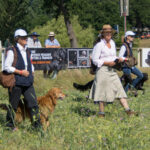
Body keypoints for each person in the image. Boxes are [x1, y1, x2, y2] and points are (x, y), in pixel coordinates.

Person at [89, 25, 137, 117]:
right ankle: (101, 113)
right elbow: (95, 60)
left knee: (119, 89)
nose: (108, 34)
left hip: (112, 70)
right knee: (101, 92)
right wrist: (107, 63)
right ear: (103, 34)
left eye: (110, 33)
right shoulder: (99, 45)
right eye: (106, 33)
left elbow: (113, 56)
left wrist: (122, 59)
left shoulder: (113, 43)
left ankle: (128, 111)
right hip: (102, 70)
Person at [4, 29, 41, 130]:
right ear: (17, 39)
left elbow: (31, 64)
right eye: (23, 37)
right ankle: (9, 125)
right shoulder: (12, 50)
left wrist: (32, 72)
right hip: (16, 82)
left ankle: (37, 126)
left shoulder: (28, 50)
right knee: (13, 105)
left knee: (33, 104)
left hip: (28, 82)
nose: (26, 39)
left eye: (26, 37)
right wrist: (21, 72)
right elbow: (6, 67)